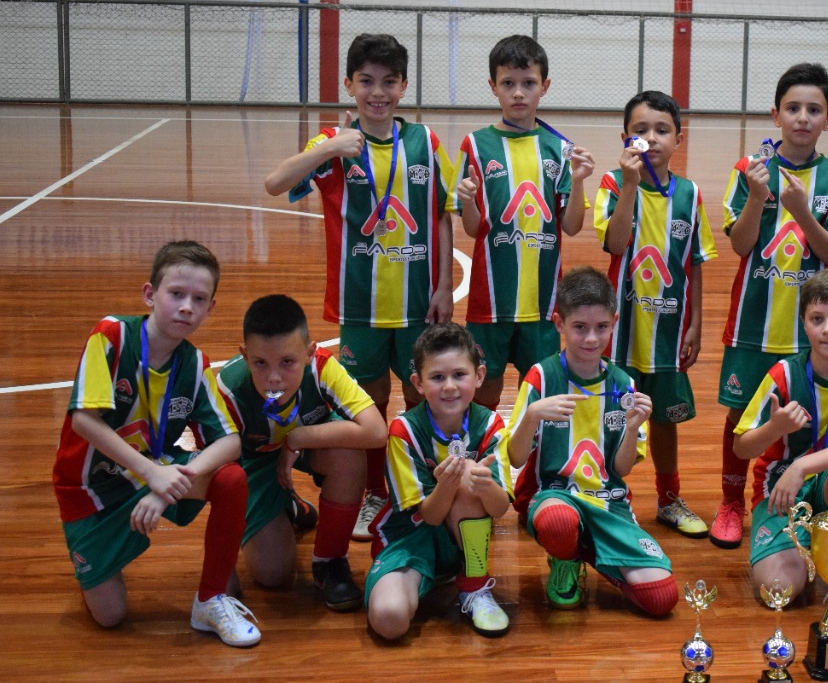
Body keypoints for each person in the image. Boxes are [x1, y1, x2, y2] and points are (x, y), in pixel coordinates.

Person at [264, 33, 456, 543]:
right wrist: (331, 146)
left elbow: (441, 215)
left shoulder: (425, 141)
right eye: (366, 81)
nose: (378, 92)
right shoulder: (333, 141)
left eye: (389, 82)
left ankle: (418, 485)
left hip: (418, 304)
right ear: (349, 85)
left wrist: (444, 285)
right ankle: (375, 491)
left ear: (404, 86)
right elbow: (275, 183)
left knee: (421, 398)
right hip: (359, 307)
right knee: (368, 403)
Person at [53, 241, 261, 647]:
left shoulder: (195, 364)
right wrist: (153, 474)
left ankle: (210, 598)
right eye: (176, 293)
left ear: (211, 308)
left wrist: (167, 484)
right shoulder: (111, 335)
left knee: (230, 478)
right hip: (89, 488)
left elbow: (230, 441)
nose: (186, 307)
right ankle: (99, 562)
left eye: (198, 299)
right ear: (150, 294)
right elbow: (83, 420)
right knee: (110, 616)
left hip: (152, 471)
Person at [711, 62, 828, 549]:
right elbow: (740, 244)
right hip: (752, 323)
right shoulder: (749, 169)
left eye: (814, 109)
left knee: (805, 416)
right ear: (775, 115)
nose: (802, 117)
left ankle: (800, 496)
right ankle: (731, 503)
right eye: (792, 108)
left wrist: (801, 213)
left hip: (809, 333)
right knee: (740, 417)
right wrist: (758, 197)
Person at [506, 267, 680, 616]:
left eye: (601, 327)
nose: (590, 338)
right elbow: (514, 457)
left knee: (662, 599)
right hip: (554, 496)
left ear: (614, 323)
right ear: (559, 324)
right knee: (559, 523)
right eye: (580, 327)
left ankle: (590, 549)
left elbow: (621, 469)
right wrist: (532, 415)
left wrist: (632, 427)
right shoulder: (541, 377)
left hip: (607, 501)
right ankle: (566, 557)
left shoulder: (623, 384)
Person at [595, 91, 718, 539]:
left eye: (662, 130)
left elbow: (696, 263)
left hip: (669, 330)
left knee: (665, 419)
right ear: (625, 138)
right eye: (641, 130)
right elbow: (615, 243)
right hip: (620, 333)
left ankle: (668, 499)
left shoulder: (690, 193)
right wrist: (630, 184)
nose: (651, 138)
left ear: (678, 139)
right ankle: (609, 495)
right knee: (614, 415)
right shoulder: (613, 184)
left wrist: (697, 322)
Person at [733, 268, 828, 615]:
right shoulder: (783, 374)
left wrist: (802, 466)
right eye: (817, 319)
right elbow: (742, 447)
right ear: (803, 323)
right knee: (779, 592)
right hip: (782, 488)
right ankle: (806, 545)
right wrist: (775, 428)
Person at [218, 295, 387, 612]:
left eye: (287, 362)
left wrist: (297, 438)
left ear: (309, 353)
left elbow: (377, 432)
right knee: (271, 575)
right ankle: (287, 504)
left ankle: (330, 562)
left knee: (349, 452)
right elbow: (218, 479)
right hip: (253, 460)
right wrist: (221, 564)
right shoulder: (227, 391)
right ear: (244, 355)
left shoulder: (322, 367)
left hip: (307, 446)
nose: (274, 377)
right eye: (260, 363)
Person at [453, 34, 594, 412]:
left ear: (544, 86)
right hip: (490, 300)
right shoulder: (474, 145)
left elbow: (572, 226)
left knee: (539, 393)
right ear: (493, 86)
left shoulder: (560, 149)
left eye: (528, 83)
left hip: (543, 302)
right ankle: (485, 446)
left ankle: (532, 451)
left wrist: (579, 180)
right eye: (508, 83)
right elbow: (472, 229)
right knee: (484, 392)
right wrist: (467, 202)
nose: (518, 93)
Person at [365, 323, 514, 638]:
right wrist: (447, 484)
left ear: (479, 376)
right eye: (437, 377)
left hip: (459, 537)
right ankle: (430, 575)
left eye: (459, 374)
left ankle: (474, 585)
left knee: (469, 476)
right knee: (389, 620)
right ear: (417, 383)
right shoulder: (403, 431)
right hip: (411, 538)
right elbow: (430, 516)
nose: (449, 386)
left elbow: (500, 508)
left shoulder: (491, 425)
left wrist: (485, 486)